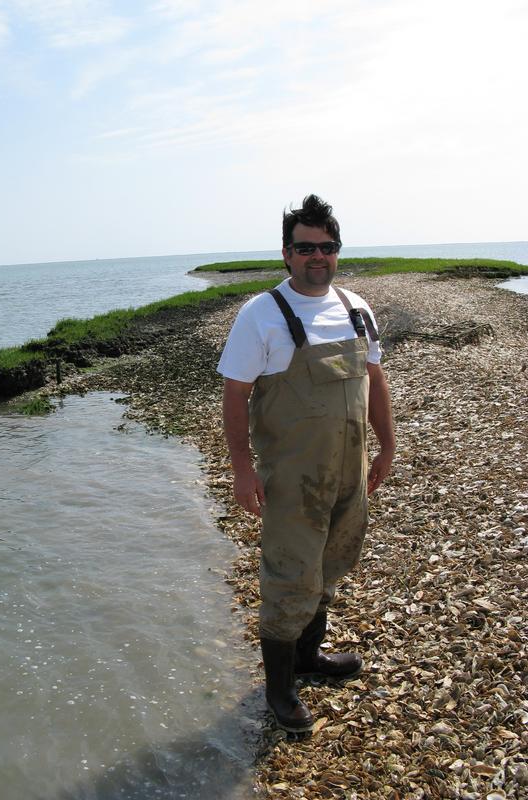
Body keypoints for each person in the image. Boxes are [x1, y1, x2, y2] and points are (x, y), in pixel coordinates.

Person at [217, 194, 395, 732]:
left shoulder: (355, 307)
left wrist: (386, 444)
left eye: (327, 246)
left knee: (331, 565)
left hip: (350, 471)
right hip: (293, 478)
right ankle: (279, 689)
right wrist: (243, 471)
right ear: (287, 254)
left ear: (337, 252)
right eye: (305, 247)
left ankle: (309, 658)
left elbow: (376, 379)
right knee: (289, 575)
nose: (317, 256)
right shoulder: (261, 315)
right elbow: (234, 394)